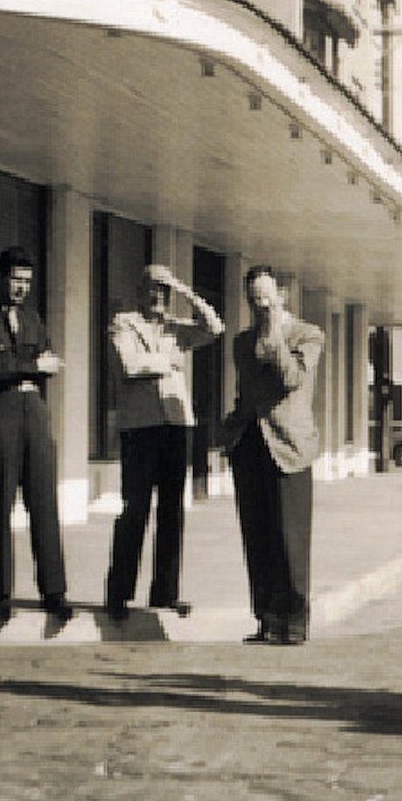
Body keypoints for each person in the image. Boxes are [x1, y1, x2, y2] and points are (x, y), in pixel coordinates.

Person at [103, 263, 225, 622]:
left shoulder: (176, 328)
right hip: (141, 428)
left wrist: (185, 290)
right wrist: (167, 361)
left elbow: (215, 327)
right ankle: (118, 594)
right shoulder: (123, 323)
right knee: (135, 509)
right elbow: (128, 364)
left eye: (164, 290)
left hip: (176, 424)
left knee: (172, 511)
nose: (158, 296)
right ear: (140, 291)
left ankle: (165, 593)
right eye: (153, 289)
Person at [0, 246, 70, 628]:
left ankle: (54, 592)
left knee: (44, 500)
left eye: (27, 282)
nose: (21, 289)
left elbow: (48, 361)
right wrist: (30, 366)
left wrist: (23, 366)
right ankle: (1, 594)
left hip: (34, 411)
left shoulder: (33, 320)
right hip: (1, 410)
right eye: (15, 280)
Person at [223, 264, 323, 645]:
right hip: (249, 445)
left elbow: (291, 378)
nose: (260, 304)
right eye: (253, 298)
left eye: (266, 296)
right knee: (258, 535)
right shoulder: (240, 343)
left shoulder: (308, 335)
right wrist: (231, 429)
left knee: (290, 537)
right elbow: (245, 394)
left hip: (289, 447)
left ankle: (294, 622)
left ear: (283, 295)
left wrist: (273, 332)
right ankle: (266, 618)